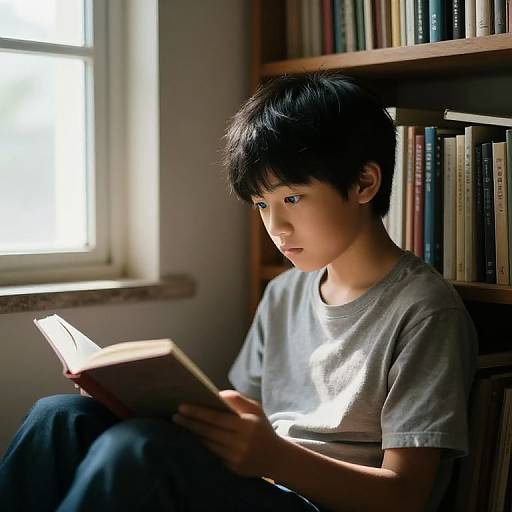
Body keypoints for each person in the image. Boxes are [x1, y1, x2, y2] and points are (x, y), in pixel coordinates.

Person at [0, 72, 477, 512]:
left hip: (316, 504)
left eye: (291, 198)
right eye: (261, 205)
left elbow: (406, 496)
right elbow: (240, 419)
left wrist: (275, 457)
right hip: (260, 485)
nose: (276, 225)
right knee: (60, 416)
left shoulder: (424, 312)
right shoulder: (285, 293)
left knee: (141, 451)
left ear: (363, 182)